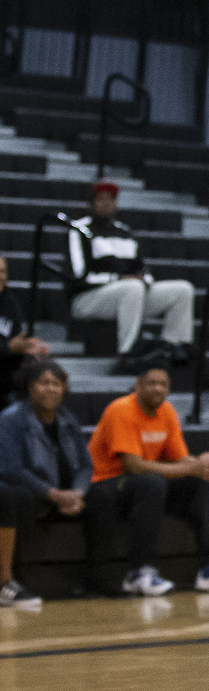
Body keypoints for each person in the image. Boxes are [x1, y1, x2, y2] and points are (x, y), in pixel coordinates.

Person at [86, 361, 209, 596]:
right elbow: (133, 466)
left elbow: (180, 459)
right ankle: (139, 572)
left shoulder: (167, 412)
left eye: (163, 384)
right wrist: (191, 468)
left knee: (199, 484)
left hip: (144, 487)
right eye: (151, 383)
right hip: (106, 485)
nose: (158, 389)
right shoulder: (121, 410)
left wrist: (201, 465)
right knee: (152, 483)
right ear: (137, 385)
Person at [67, 182, 195, 373]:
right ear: (90, 204)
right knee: (132, 288)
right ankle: (127, 354)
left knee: (182, 289)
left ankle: (172, 347)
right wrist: (119, 279)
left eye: (110, 200)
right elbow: (78, 276)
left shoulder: (124, 231)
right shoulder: (79, 230)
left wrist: (145, 281)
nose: (106, 204)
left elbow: (142, 269)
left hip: (127, 295)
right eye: (100, 200)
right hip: (87, 298)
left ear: (116, 204)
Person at [0, 360, 87, 608]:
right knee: (13, 495)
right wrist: (53, 494)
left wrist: (78, 493)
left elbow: (85, 466)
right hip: (28, 491)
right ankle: (6, 581)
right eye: (44, 383)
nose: (50, 389)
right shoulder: (11, 419)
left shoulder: (68, 420)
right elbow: (11, 469)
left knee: (102, 496)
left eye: (56, 383)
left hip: (55, 492)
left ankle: (103, 578)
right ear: (30, 388)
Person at [0, 254, 50, 407]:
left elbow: (17, 339)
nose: (1, 276)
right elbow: (11, 344)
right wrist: (8, 347)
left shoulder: (9, 302)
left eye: (3, 271)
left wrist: (30, 346)